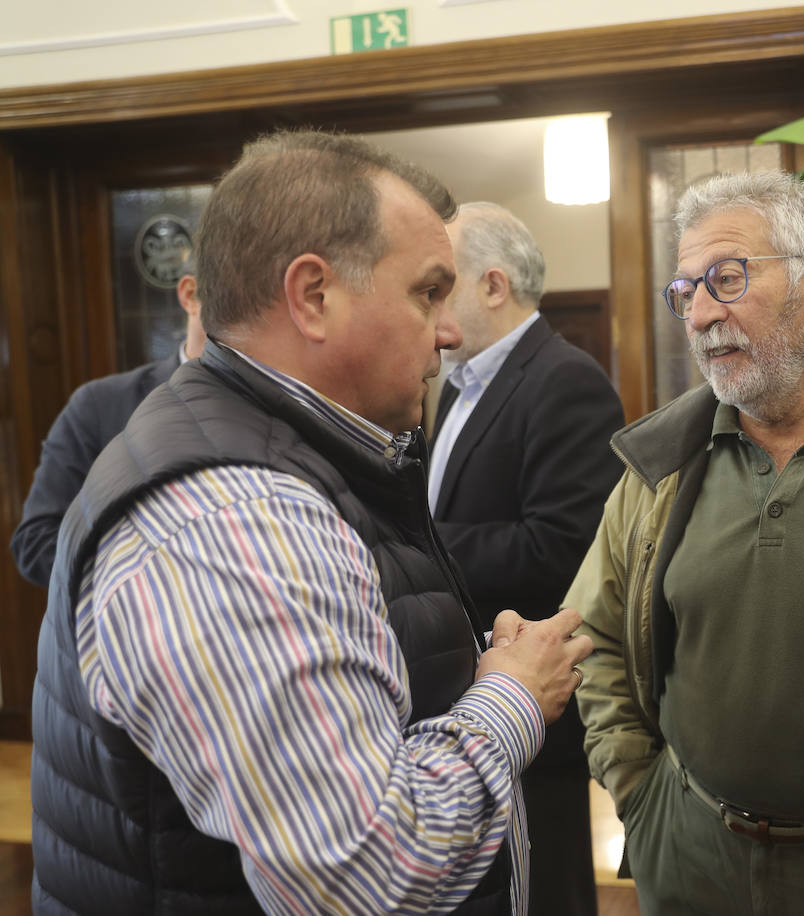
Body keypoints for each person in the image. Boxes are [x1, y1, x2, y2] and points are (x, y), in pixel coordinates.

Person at [29, 129, 592, 916]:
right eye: (427, 293)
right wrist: (513, 697)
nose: (448, 331)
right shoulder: (237, 522)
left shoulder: (284, 456)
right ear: (313, 296)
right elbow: (371, 877)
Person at [565, 169, 804, 915]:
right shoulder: (661, 467)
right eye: (686, 291)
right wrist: (639, 793)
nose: (701, 313)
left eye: (727, 278)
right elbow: (593, 635)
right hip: (691, 853)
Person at [430, 201, 624, 916]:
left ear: (492, 284)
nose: (429, 303)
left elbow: (561, 546)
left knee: (549, 894)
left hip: (539, 706)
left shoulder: (564, 380)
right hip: (475, 695)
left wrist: (416, 547)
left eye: (438, 283)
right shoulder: (455, 387)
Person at [10, 272, 207, 587]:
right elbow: (36, 542)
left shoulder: (282, 405)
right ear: (190, 294)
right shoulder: (99, 406)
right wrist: (158, 577)